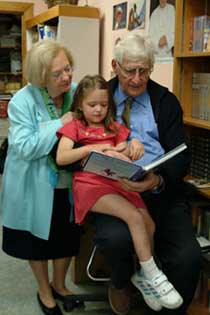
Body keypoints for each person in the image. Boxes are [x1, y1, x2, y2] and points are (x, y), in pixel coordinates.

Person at [91, 33, 202, 315]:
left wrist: (158, 180)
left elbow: (182, 155)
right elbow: (78, 139)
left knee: (188, 258)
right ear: (115, 66)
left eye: (144, 70)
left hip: (158, 191)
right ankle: (121, 281)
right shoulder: (97, 97)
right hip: (111, 193)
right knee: (116, 240)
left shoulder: (165, 101)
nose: (137, 79)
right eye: (130, 71)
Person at [56, 74, 183, 312]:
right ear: (80, 105)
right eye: (92, 105)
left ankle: (143, 277)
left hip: (116, 182)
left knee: (149, 225)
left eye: (104, 105)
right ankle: (153, 274)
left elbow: (126, 148)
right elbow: (61, 157)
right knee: (134, 218)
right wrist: (93, 148)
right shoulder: (74, 126)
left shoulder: (114, 126)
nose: (98, 110)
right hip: (91, 186)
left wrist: (131, 147)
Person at [0, 40, 81, 315]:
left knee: (66, 237)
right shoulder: (22, 100)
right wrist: (61, 123)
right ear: (41, 77)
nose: (66, 77)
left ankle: (60, 285)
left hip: (68, 182)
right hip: (34, 183)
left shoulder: (75, 93)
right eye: (57, 74)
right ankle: (45, 291)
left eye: (68, 69)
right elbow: (25, 146)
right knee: (37, 241)